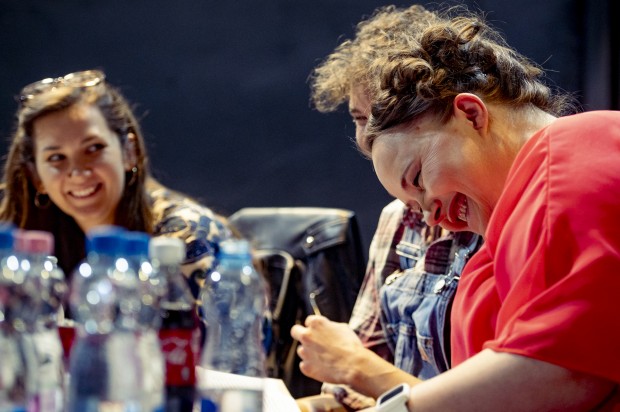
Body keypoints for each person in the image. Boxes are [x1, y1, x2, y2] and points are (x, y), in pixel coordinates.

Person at [294, 5, 620, 410]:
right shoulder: (502, 231)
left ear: (470, 113)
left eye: (418, 178)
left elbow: (560, 371)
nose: (434, 217)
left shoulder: (581, 151)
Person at [296, 5, 481, 411]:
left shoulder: (494, 217)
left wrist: (357, 367)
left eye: (380, 118)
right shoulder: (399, 218)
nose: (367, 139)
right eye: (359, 118)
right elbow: (348, 383)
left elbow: (487, 401)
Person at [0, 69, 231, 300]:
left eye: (93, 148)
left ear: (129, 152)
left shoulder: (185, 237)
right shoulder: (27, 253)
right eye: (56, 158)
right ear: (36, 177)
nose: (78, 172)